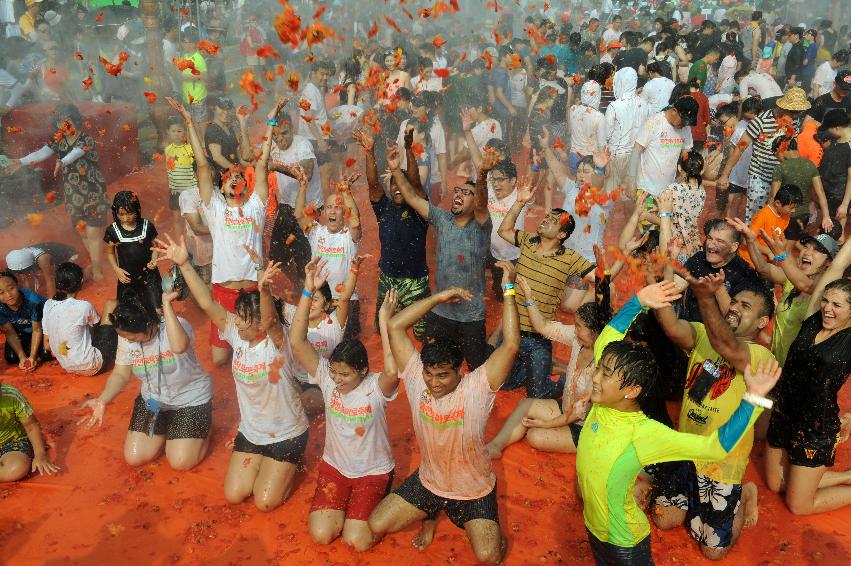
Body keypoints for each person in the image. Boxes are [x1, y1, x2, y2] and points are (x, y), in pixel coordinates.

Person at [579, 327, 780, 565]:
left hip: (625, 541)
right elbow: (605, 341)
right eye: (599, 369)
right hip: (593, 527)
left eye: (605, 374)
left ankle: (744, 494)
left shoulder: (645, 432)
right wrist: (640, 300)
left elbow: (713, 448)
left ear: (632, 390)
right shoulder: (602, 406)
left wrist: (753, 399)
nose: (594, 378)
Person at [368, 264, 520, 565]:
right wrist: (438, 298)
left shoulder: (477, 387)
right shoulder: (415, 377)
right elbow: (396, 325)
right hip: (430, 483)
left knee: (489, 556)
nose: (434, 384)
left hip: (473, 490)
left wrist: (508, 289)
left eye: (442, 376)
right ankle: (431, 514)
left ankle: (478, 526)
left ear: (460, 371)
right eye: (430, 374)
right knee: (376, 524)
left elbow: (512, 344)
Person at [157, 233, 308, 511]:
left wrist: (263, 290)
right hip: (252, 433)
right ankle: (270, 465)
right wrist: (185, 264)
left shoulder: (278, 342)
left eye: (243, 318)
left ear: (260, 323)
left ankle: (293, 460)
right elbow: (207, 304)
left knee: (264, 502)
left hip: (286, 434)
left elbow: (271, 320)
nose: (236, 322)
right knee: (234, 494)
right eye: (237, 315)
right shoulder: (238, 336)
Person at [648, 269, 776, 559]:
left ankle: (744, 493)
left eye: (745, 306)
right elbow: (671, 326)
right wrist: (656, 283)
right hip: (684, 450)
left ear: (762, 322)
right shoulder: (705, 333)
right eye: (734, 302)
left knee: (712, 552)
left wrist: (704, 297)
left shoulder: (761, 358)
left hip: (721, 463)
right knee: (663, 519)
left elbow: (727, 346)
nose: (734, 307)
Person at [290, 261, 399, 551]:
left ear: (363, 371)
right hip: (335, 468)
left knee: (357, 540)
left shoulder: (376, 386)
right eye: (335, 372)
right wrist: (307, 290)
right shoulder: (326, 376)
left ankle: (388, 500)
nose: (337, 380)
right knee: (322, 535)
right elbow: (297, 340)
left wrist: (385, 324)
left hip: (372, 471)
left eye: (345, 374)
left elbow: (392, 370)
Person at [167, 96, 270, 367]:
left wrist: (270, 120)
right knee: (219, 359)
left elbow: (261, 165)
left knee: (260, 349)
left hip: (252, 292)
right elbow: (203, 166)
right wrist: (189, 123)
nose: (234, 178)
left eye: (239, 177)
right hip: (223, 294)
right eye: (228, 178)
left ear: (245, 188)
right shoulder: (214, 208)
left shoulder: (255, 207)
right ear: (220, 190)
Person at [78, 288, 213, 471]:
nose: (129, 342)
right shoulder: (126, 335)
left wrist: (166, 305)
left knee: (180, 462)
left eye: (133, 338)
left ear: (149, 325)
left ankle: (203, 427)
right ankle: (173, 431)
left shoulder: (175, 325)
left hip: (190, 400)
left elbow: (180, 346)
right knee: (135, 457)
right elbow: (120, 374)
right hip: (153, 401)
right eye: (125, 338)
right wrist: (103, 400)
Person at [765, 238, 851, 515]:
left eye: (837, 306)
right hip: (784, 409)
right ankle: (843, 475)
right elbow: (837, 265)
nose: (827, 308)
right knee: (775, 485)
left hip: (815, 425)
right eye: (825, 300)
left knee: (798, 505)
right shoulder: (814, 316)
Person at [391, 140, 491, 369]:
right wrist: (396, 169)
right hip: (441, 312)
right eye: (459, 191)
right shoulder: (443, 219)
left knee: (477, 369)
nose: (459, 195)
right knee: (433, 364)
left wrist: (482, 174)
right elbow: (414, 198)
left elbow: (483, 204)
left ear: (475, 202)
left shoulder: (481, 226)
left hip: (471, 316)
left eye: (467, 193)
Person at [486, 277, 606, 458]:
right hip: (567, 408)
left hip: (584, 427)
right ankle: (495, 446)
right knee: (527, 404)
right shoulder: (576, 339)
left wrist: (545, 424)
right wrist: (529, 299)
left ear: (595, 331)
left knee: (535, 436)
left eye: (579, 326)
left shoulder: (603, 363)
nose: (575, 330)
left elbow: (578, 412)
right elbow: (543, 327)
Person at [5, 103, 109, 280]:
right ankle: (95, 261)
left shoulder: (86, 139)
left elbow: (75, 153)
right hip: (73, 194)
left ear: (75, 120)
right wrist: (20, 161)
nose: (64, 126)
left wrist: (62, 161)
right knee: (83, 232)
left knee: (93, 232)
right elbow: (40, 154)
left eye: (67, 121)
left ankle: (98, 269)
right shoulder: (58, 139)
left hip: (93, 192)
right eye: (60, 122)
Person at [355, 126, 430, 339]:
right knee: (384, 331)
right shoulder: (384, 208)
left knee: (423, 335)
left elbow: (415, 183)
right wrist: (369, 152)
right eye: (394, 184)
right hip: (388, 280)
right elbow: (372, 183)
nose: (398, 188)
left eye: (402, 184)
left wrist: (408, 150)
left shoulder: (419, 210)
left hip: (416, 281)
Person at [730, 221, 839, 366]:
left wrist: (781, 255)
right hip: (776, 362)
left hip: (797, 368)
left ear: (828, 263)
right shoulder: (790, 279)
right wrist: (750, 240)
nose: (807, 252)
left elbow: (805, 285)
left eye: (817, 250)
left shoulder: (825, 291)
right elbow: (763, 268)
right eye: (806, 246)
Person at [716, 88, 811, 223]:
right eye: (793, 111)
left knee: (776, 216)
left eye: (798, 112)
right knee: (756, 217)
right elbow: (740, 148)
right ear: (781, 106)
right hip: (759, 176)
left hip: (779, 177)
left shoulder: (794, 121)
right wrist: (725, 174)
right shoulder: (760, 121)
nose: (796, 115)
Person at [678, 218, 764, 323]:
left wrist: (719, 289)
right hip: (688, 327)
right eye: (710, 238)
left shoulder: (744, 273)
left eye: (720, 241)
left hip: (717, 335)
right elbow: (675, 286)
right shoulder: (699, 258)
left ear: (733, 247)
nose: (710, 245)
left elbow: (734, 318)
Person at [42, 262, 117, 376]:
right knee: (111, 304)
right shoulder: (84, 306)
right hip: (93, 365)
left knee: (82, 327)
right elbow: (98, 329)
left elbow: (47, 344)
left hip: (67, 366)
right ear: (81, 281)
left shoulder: (48, 304)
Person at [626, 96, 697, 198]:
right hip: (645, 189)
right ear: (673, 111)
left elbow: (686, 153)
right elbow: (636, 151)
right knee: (644, 214)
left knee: (664, 215)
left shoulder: (685, 128)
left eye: (687, 123)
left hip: (668, 190)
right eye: (683, 121)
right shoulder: (654, 122)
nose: (684, 125)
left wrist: (690, 173)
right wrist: (631, 181)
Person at [769, 136, 831, 241]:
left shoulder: (780, 168)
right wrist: (826, 216)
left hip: (785, 216)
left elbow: (774, 196)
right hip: (803, 216)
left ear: (782, 150)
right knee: (793, 243)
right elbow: (820, 192)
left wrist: (770, 216)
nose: (778, 159)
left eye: (776, 155)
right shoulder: (810, 165)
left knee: (781, 248)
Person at [104, 191, 161, 300]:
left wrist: (154, 260)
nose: (125, 218)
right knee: (130, 310)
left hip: (149, 276)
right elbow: (110, 252)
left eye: (129, 213)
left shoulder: (147, 226)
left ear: (137, 210)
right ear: (115, 212)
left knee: (155, 307)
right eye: (121, 214)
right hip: (127, 278)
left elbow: (155, 247)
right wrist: (116, 269)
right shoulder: (113, 231)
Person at [0, 381, 60, 482]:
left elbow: (31, 426)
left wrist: (40, 454)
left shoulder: (12, 395)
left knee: (17, 467)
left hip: (14, 442)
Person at [736, 185, 801, 269]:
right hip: (748, 261)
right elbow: (746, 241)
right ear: (778, 203)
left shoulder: (786, 216)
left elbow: (778, 237)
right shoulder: (763, 216)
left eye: (795, 208)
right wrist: (767, 251)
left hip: (764, 263)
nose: (793, 211)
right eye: (791, 208)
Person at [0, 270, 49, 370]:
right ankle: (28, 347)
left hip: (42, 328)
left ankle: (33, 348)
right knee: (12, 358)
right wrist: (22, 357)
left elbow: (37, 330)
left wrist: (32, 357)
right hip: (21, 330)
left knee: (46, 354)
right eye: (1, 292)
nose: (8, 294)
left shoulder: (32, 301)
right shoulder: (0, 307)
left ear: (18, 285)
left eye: (11, 288)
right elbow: (10, 333)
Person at [817, 109, 851, 238]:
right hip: (829, 194)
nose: (827, 132)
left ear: (836, 128)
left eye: (829, 129)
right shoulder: (837, 140)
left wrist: (844, 205)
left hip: (839, 197)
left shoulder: (849, 146)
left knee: (837, 233)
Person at [4, 242, 77, 299]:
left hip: (69, 254)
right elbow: (25, 282)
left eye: (21, 272)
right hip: (53, 258)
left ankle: (86, 272)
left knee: (67, 282)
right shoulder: (18, 258)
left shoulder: (42, 259)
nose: (20, 275)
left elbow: (49, 280)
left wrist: (51, 303)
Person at [204, 96, 251, 186]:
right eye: (222, 108)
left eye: (228, 109)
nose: (225, 112)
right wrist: (237, 171)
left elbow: (237, 152)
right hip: (222, 180)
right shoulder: (212, 129)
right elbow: (217, 157)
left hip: (234, 177)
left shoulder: (229, 128)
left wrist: (247, 167)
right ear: (214, 109)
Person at [164, 116, 198, 237]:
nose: (177, 134)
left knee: (191, 219)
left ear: (185, 131)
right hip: (175, 191)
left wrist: (196, 188)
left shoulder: (190, 148)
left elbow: (196, 170)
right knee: (177, 218)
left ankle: (192, 242)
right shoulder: (168, 150)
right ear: (168, 132)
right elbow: (169, 169)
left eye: (180, 131)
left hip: (190, 190)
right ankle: (180, 243)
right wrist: (172, 186)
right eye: (173, 131)